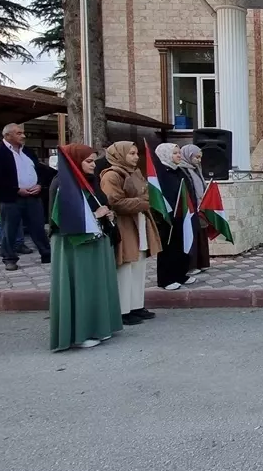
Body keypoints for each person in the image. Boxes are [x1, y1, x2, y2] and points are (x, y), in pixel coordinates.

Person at [48, 144, 122, 351]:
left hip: (95, 239)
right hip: (74, 244)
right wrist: (94, 215)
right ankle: (79, 334)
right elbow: (61, 219)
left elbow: (100, 204)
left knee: (95, 285)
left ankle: (97, 327)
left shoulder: (90, 181)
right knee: (80, 286)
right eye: (88, 161)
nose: (93, 165)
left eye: (93, 161)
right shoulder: (63, 184)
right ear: (74, 161)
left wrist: (108, 214)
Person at [100, 142, 160, 328]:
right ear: (120, 154)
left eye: (136, 153)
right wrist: (141, 203)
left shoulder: (134, 172)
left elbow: (146, 195)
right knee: (125, 268)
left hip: (139, 223)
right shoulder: (112, 175)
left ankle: (136, 306)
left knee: (138, 266)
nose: (135, 157)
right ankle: (122, 310)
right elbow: (115, 202)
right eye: (131, 153)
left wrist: (143, 202)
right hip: (124, 225)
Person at [0, 123, 51, 271]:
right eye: (19, 133)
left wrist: (40, 184)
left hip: (33, 196)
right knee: (10, 229)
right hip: (10, 198)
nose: (23, 136)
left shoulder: (27, 151)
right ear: (7, 135)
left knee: (38, 227)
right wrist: (16, 189)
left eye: (22, 133)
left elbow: (40, 170)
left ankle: (46, 254)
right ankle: (9, 258)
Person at [152, 143, 196, 291]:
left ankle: (180, 274)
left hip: (182, 215)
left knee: (181, 245)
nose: (179, 155)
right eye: (175, 153)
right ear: (165, 155)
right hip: (167, 217)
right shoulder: (161, 173)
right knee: (168, 247)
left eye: (179, 153)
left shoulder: (179, 170)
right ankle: (166, 279)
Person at [179, 144, 211, 276]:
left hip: (200, 208)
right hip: (190, 209)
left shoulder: (196, 169)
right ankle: (190, 265)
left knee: (201, 234)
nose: (198, 160)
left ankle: (201, 262)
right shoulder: (183, 169)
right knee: (192, 236)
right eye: (196, 157)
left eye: (200, 157)